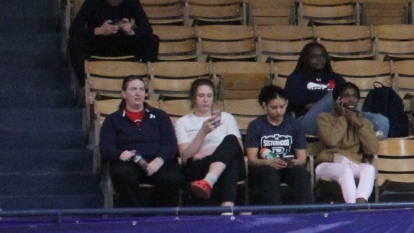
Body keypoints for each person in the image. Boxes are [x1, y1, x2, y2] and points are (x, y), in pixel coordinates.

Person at [99, 76, 182, 207]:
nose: (138, 93)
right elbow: (105, 148)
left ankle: (153, 210)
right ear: (123, 94)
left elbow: (170, 144)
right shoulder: (112, 119)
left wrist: (160, 159)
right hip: (130, 162)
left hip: (158, 160)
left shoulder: (160, 116)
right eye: (133, 89)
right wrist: (119, 154)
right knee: (120, 174)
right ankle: (142, 212)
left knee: (173, 177)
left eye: (141, 89)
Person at [66, 0, 160, 82]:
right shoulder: (93, 0)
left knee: (152, 40)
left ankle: (143, 82)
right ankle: (86, 83)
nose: (117, 0)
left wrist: (132, 31)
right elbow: (74, 30)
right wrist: (97, 30)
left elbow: (147, 28)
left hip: (123, 42)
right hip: (99, 43)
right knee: (75, 42)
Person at [175, 78, 244, 208]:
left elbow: (238, 147)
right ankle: (228, 209)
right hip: (198, 165)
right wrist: (203, 132)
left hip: (220, 159)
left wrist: (210, 150)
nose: (205, 100)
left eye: (209, 96)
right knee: (231, 163)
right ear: (193, 98)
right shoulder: (183, 122)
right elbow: (185, 157)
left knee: (231, 140)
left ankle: (208, 181)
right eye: (201, 96)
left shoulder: (226, 118)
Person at [243, 84, 313, 205]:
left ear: (286, 103)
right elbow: (251, 160)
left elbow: (302, 158)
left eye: (282, 107)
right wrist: (268, 162)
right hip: (264, 168)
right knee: (270, 174)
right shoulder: (256, 125)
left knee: (301, 173)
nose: (279, 111)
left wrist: (294, 162)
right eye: (274, 107)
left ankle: (305, 212)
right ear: (265, 106)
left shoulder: (295, 124)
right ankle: (275, 213)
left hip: (288, 167)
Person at [313, 83, 380, 204]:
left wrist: (359, 125)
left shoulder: (363, 122)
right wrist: (343, 118)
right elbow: (331, 141)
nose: (351, 99)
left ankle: (361, 201)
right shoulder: (324, 118)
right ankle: (354, 207)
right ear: (337, 99)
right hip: (328, 164)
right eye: (346, 96)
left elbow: (373, 149)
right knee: (345, 171)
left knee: (369, 168)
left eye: (354, 96)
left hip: (353, 164)